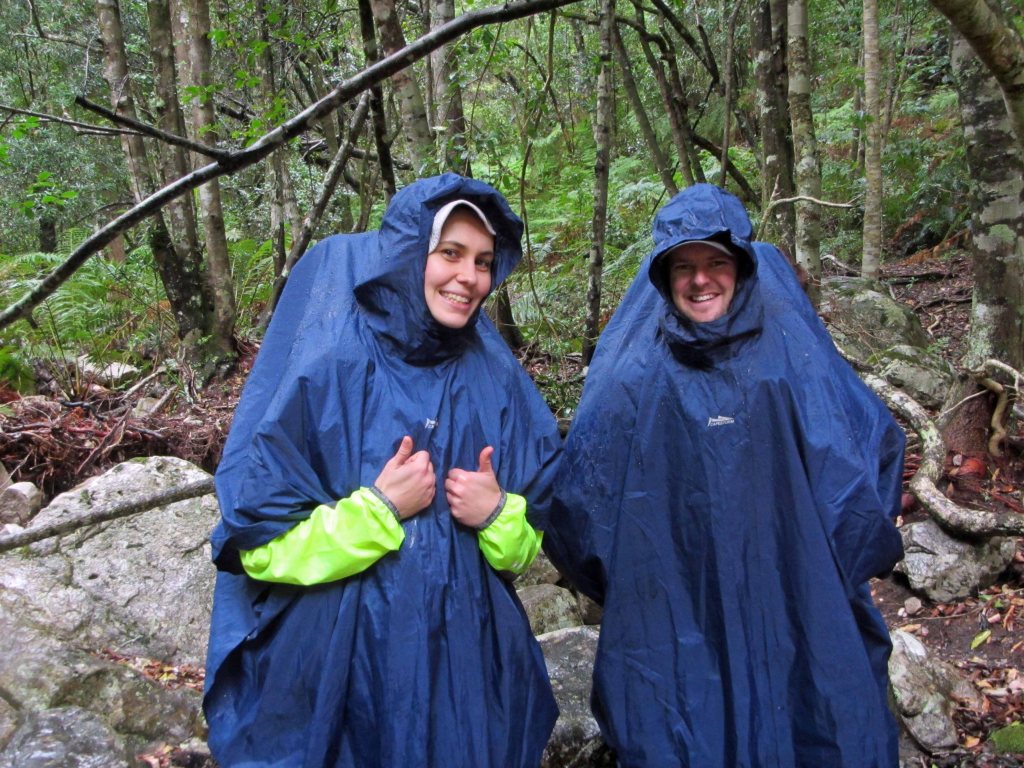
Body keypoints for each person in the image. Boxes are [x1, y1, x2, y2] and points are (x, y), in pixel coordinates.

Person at [204, 174, 562, 767]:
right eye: (450, 253)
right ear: (407, 252)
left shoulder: (497, 380)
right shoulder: (330, 366)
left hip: (463, 662)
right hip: (342, 670)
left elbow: (527, 549)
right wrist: (376, 511)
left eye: (482, 261)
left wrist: (498, 515)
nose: (468, 277)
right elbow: (254, 546)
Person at [545, 184, 905, 767]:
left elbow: (866, 452)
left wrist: (827, 571)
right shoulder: (632, 376)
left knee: (815, 723)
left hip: (797, 596)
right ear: (663, 277)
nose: (700, 280)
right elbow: (585, 495)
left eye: (715, 263)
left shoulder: (790, 357)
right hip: (673, 606)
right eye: (683, 267)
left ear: (740, 264)